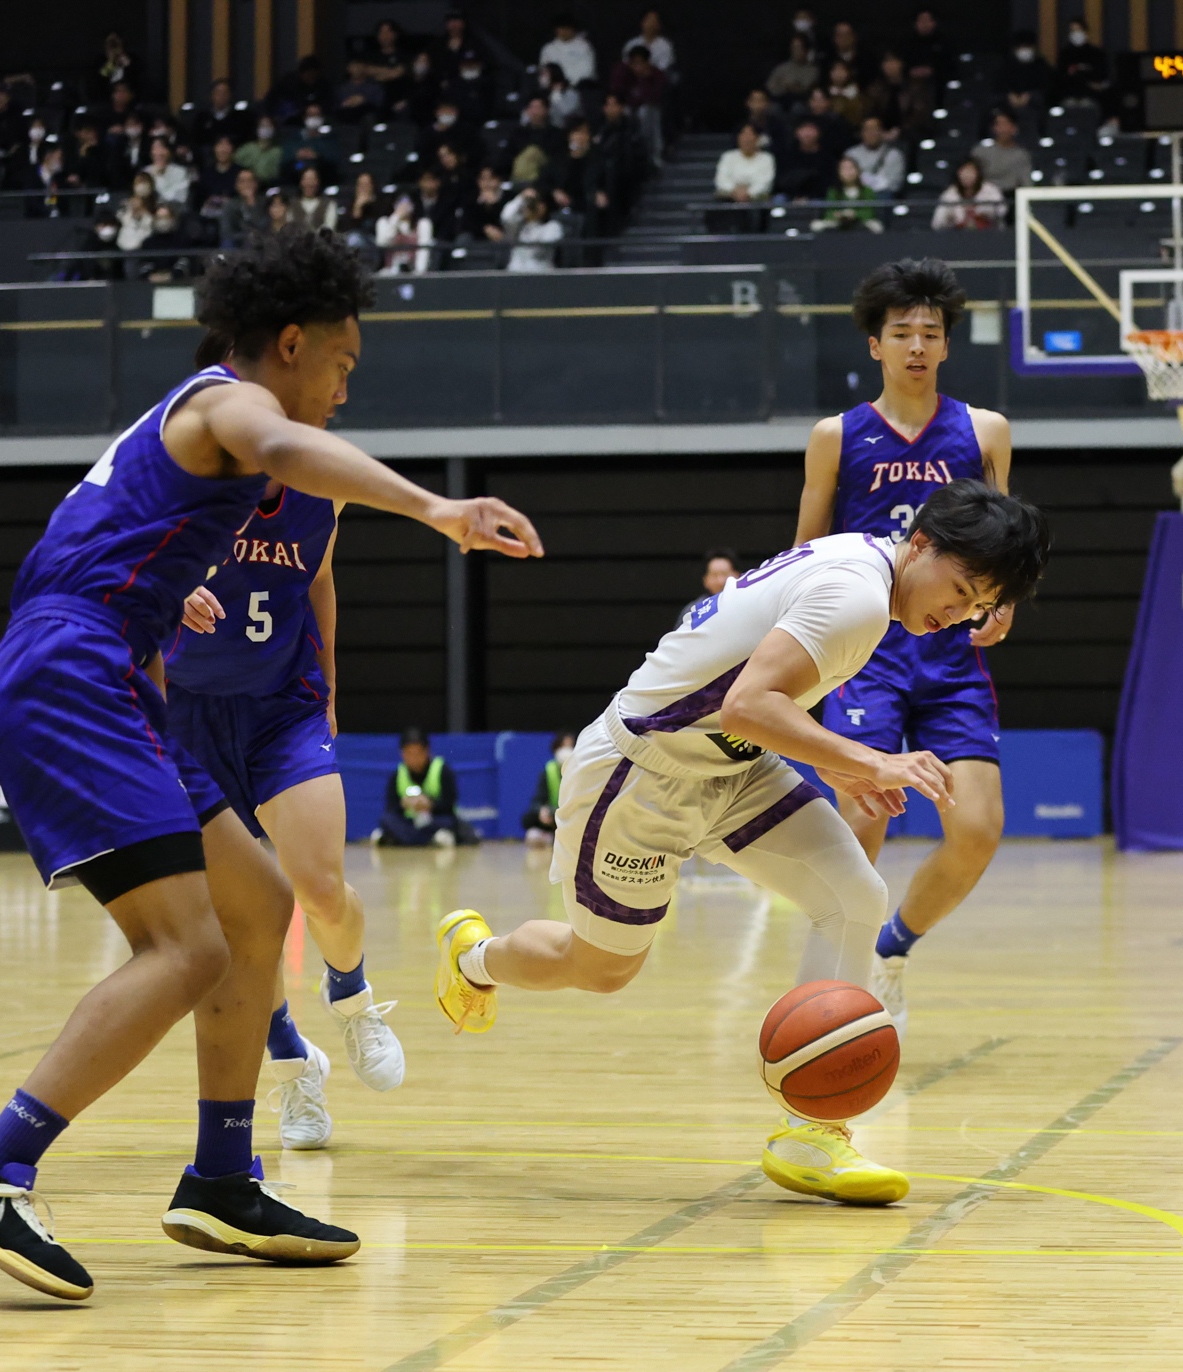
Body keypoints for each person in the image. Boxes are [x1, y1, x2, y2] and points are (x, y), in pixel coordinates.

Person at [0, 229, 537, 1302]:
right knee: (187, 946)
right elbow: (284, 445)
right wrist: (438, 508)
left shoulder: (190, 432)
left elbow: (112, 553)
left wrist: (156, 623)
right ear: (290, 344)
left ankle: (222, 1178)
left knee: (257, 906)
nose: (344, 387)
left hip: (107, 669)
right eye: (340, 361)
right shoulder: (226, 404)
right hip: (71, 673)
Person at [434, 478, 1049, 1206]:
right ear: (921, 543)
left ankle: (811, 1133)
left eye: (977, 607)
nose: (958, 613)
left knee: (854, 895)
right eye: (961, 588)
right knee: (601, 969)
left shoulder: (867, 572)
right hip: (642, 774)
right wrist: (873, 761)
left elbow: (758, 702)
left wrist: (837, 767)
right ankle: (472, 958)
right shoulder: (856, 596)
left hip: (733, 769)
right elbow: (748, 705)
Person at [166, 405, 411, 1151]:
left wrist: (330, 682)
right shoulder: (183, 480)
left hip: (283, 707)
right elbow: (116, 571)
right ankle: (293, 1067)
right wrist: (168, 591)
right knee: (240, 918)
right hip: (191, 713)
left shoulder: (322, 491)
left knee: (320, 885)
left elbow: (320, 580)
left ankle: (353, 998)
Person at [797, 261, 1015, 1032]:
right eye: (902, 333)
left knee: (978, 829)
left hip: (952, 656)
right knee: (861, 827)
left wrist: (1004, 601)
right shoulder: (836, 437)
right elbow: (804, 555)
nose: (916, 346)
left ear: (947, 345)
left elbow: (1001, 541)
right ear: (875, 344)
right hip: (866, 655)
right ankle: (831, 992)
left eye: (930, 333)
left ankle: (892, 947)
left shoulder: (984, 431)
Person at [375, 729, 466, 846]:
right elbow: (390, 807)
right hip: (409, 821)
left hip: (433, 820)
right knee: (387, 820)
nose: (414, 758)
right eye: (409, 753)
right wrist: (404, 804)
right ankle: (430, 839)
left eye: (417, 753)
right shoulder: (397, 774)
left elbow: (449, 803)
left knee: (450, 822)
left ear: (426, 751)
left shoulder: (442, 770)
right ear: (402, 754)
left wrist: (430, 805)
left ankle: (400, 839)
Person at [521, 731, 576, 842]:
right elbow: (537, 800)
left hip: (574, 818)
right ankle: (550, 837)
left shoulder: (581, 771)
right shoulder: (548, 771)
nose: (566, 750)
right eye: (563, 746)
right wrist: (542, 810)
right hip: (554, 816)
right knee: (529, 821)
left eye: (570, 746)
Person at [931, 158, 1004, 231]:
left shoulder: (991, 190)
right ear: (958, 174)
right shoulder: (949, 193)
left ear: (978, 173)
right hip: (957, 234)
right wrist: (950, 218)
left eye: (970, 172)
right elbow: (937, 223)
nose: (967, 175)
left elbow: (1002, 210)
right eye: (964, 172)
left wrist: (985, 213)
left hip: (988, 233)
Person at [814, 156, 883, 232]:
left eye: (851, 168)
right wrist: (839, 215)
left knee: (877, 227)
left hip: (861, 222)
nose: (848, 172)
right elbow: (828, 213)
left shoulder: (867, 190)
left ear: (858, 171)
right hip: (838, 222)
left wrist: (854, 214)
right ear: (838, 173)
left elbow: (869, 213)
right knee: (816, 226)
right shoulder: (833, 191)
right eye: (844, 169)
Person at [502, 187, 563, 271]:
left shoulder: (553, 226)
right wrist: (521, 198)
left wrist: (533, 220)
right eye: (530, 205)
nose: (532, 208)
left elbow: (540, 249)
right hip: (515, 273)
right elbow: (506, 217)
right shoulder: (517, 226)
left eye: (536, 204)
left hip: (540, 273)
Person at [715, 124, 775, 204]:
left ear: (757, 138)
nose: (747, 140)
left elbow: (765, 181)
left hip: (757, 199)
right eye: (744, 135)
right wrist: (734, 191)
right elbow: (721, 179)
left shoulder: (767, 158)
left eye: (750, 135)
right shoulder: (728, 156)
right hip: (730, 197)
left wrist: (749, 193)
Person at [975, 111, 1032, 193]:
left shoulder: (1021, 155)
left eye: (1006, 124)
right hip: (984, 196)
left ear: (1014, 128)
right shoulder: (980, 151)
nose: (1003, 129)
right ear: (994, 128)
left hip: (1011, 196)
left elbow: (1026, 183)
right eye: (999, 124)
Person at [847, 117, 902, 197]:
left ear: (882, 132)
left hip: (883, 196)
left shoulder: (894, 155)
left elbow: (895, 184)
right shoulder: (851, 154)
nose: (871, 134)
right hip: (857, 196)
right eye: (867, 130)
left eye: (875, 130)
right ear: (861, 133)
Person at [539, 14, 598, 87]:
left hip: (580, 87)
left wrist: (567, 84)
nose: (564, 31)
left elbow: (587, 72)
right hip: (555, 88)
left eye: (567, 28)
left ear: (573, 30)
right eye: (561, 28)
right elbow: (544, 71)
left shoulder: (584, 47)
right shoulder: (548, 48)